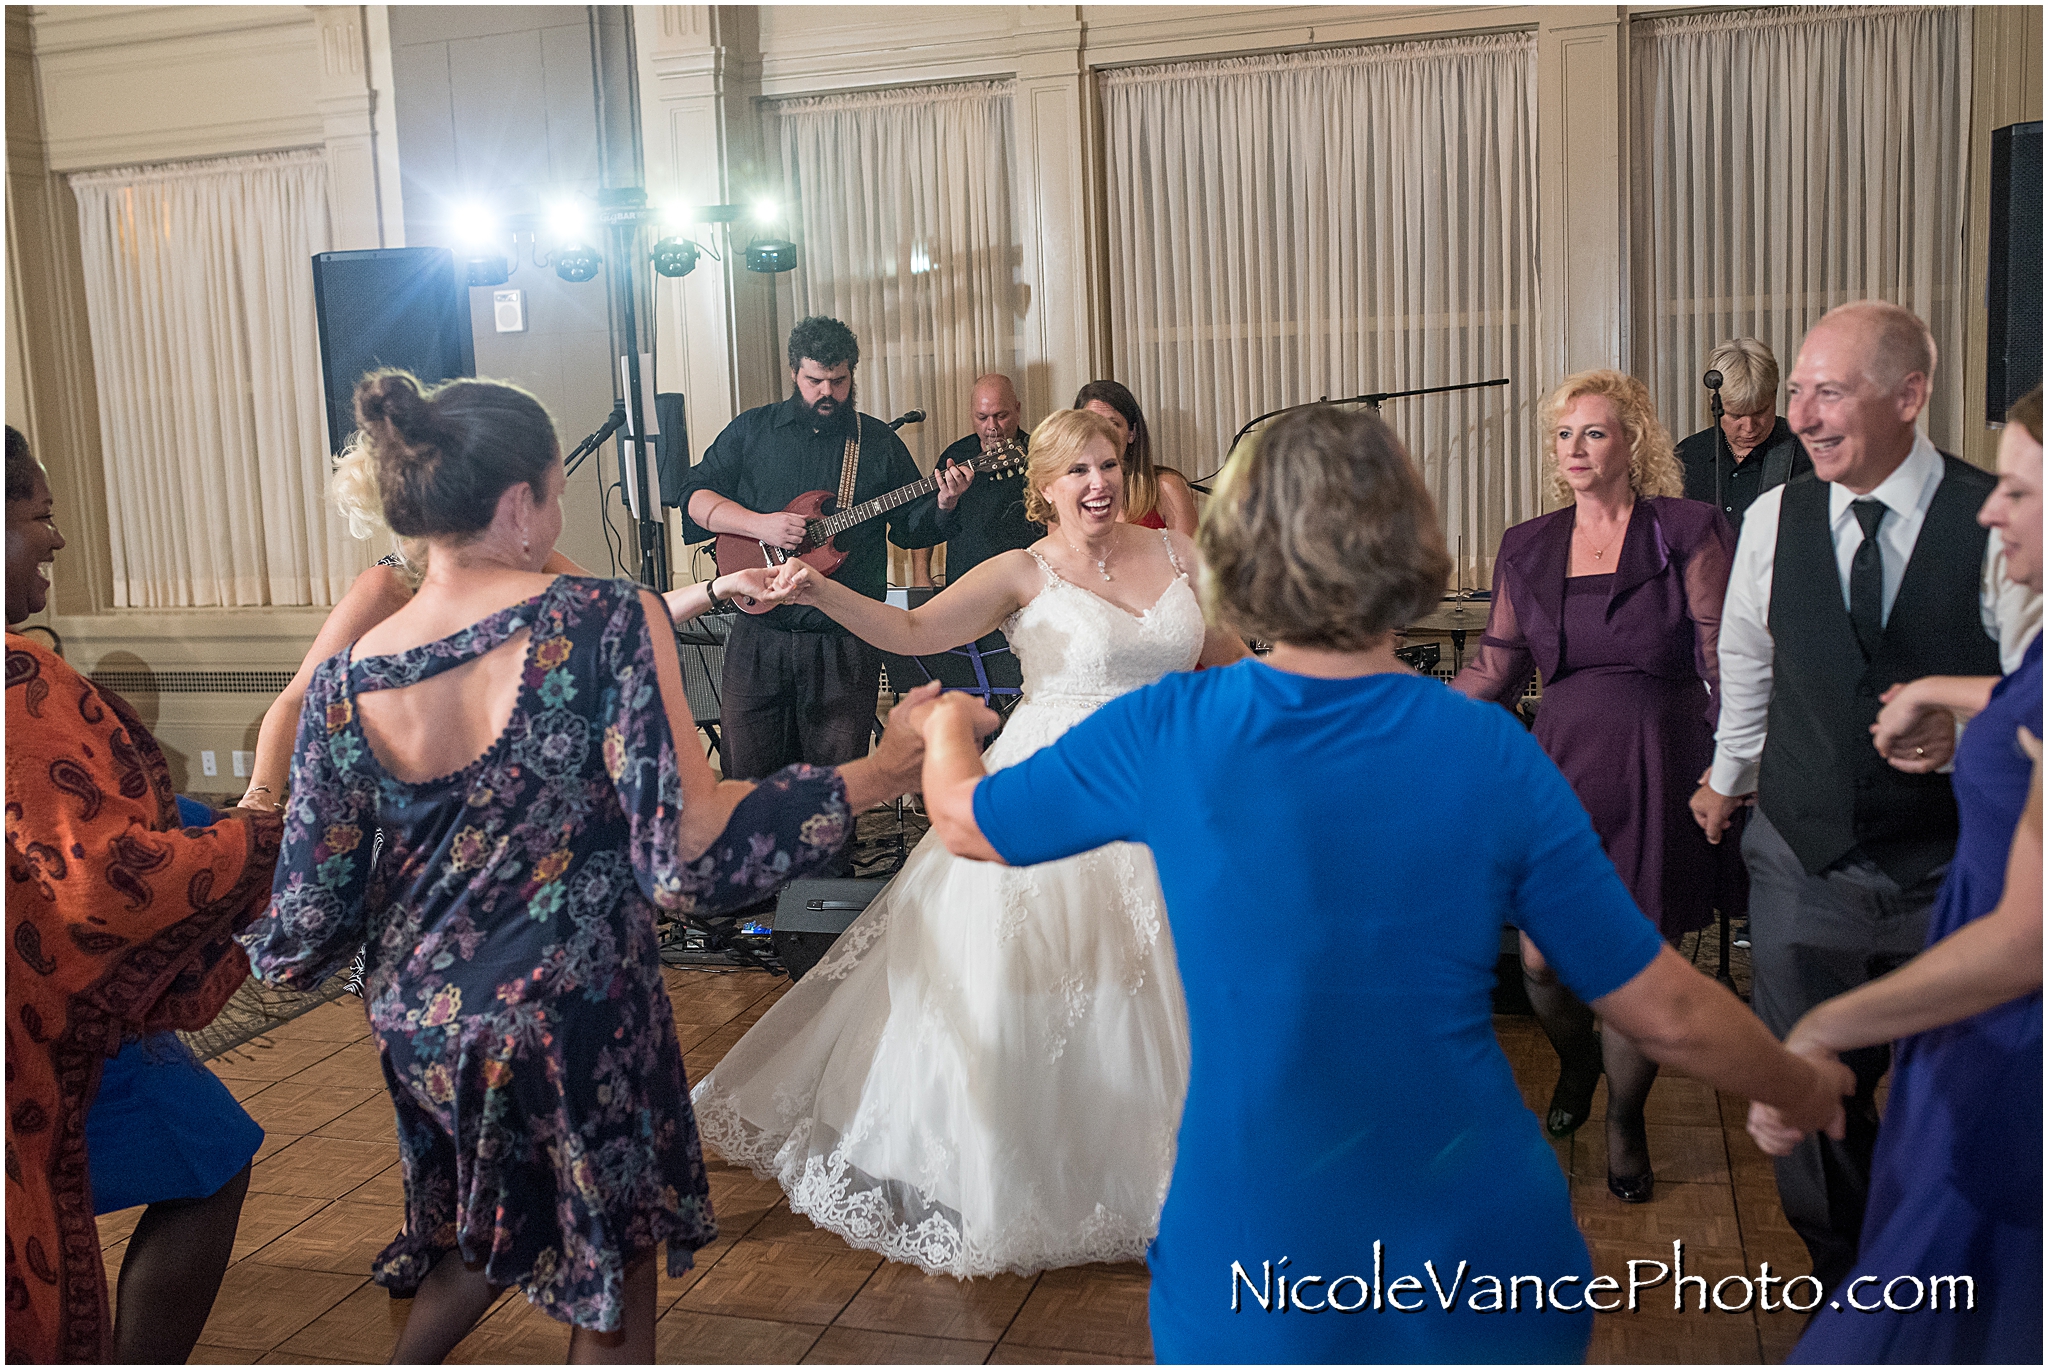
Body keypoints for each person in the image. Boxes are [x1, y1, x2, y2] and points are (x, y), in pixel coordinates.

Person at [910, 404, 1852, 1363]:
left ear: (1236, 554)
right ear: (1411, 543)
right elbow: (1662, 1005)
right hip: (1480, 1248)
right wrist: (1803, 1084)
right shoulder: (1486, 750)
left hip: (1255, 1253)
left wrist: (945, 728)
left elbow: (965, 822)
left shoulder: (1176, 731)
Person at [236, 372, 938, 1362]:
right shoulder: (599, 619)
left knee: (488, 1234)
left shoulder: (354, 676)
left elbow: (303, 922)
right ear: (521, 502)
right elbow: (684, 858)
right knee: (606, 1271)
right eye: (558, 492)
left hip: (421, 1026)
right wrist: (878, 771)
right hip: (570, 1007)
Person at [690, 408, 1245, 1278]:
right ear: (1046, 488)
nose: (1097, 484)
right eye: (1076, 473)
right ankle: (1017, 1171)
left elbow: (1231, 660)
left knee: (1170, 982)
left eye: (1107, 466)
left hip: (1171, 790)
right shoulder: (1022, 570)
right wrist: (818, 589)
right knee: (1029, 981)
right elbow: (914, 634)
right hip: (1049, 791)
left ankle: (1180, 1172)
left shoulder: (1181, 556)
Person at [1689, 300, 2025, 1298]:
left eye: (1825, 391)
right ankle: (1844, 1291)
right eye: (1795, 390)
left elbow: (2031, 686)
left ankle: (1930, 1296)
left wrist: (1962, 731)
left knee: (1944, 1115)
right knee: (1811, 1116)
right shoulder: (1769, 518)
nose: (1799, 413)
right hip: (1800, 861)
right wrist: (1728, 775)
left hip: (1951, 877)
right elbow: (1744, 659)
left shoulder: (1994, 513)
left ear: (1908, 395)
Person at [1752, 383, 2043, 1364]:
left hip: (2008, 1022)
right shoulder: (1775, 518)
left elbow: (2026, 938)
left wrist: (1820, 1028)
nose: (1992, 508)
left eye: (2017, 488)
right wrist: (1943, 695)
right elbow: (2023, 701)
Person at [6, 427, 282, 1363]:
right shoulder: (20, 691)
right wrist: (264, 828)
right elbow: (109, 883)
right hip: (43, 1013)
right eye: (39, 515)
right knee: (207, 1159)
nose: (55, 540)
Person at [1453, 370, 1735, 1205]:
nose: (1575, 449)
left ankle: (1625, 1120)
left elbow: (1722, 659)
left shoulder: (1687, 529)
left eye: (1596, 433)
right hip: (1564, 769)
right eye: (1565, 435)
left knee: (1629, 964)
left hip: (1660, 763)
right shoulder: (1529, 544)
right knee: (1540, 962)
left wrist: (1731, 768)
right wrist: (1406, 712)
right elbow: (1497, 666)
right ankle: (1578, 1063)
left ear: (1634, 443)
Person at [244, 441, 760, 817]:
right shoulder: (386, 586)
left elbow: (631, 613)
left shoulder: (525, 564)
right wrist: (262, 797)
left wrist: (722, 586)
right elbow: (296, 701)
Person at [679, 316, 946, 780]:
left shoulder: (876, 441)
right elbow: (694, 500)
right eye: (814, 380)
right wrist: (760, 525)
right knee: (747, 782)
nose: (827, 392)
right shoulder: (753, 430)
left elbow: (909, 530)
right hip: (759, 637)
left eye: (839, 381)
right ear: (793, 373)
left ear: (852, 375)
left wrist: (944, 501)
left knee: (834, 791)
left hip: (843, 640)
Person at [908, 373, 1040, 588]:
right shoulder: (955, 455)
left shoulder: (1040, 455)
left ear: (1017, 410)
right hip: (965, 586)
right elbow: (925, 518)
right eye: (982, 417)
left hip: (1025, 585)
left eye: (1001, 415)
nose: (992, 426)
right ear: (971, 415)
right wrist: (921, 574)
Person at [1674, 337, 1813, 525]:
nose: (1749, 427)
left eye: (1760, 411)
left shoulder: (1807, 453)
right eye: (1736, 416)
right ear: (1713, 404)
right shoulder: (1688, 456)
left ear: (1775, 395)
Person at [1073, 379, 1198, 535]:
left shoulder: (1166, 487)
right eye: (1091, 423)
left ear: (1132, 433)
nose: (1102, 434)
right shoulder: (1064, 490)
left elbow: (1192, 558)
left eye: (1112, 424)